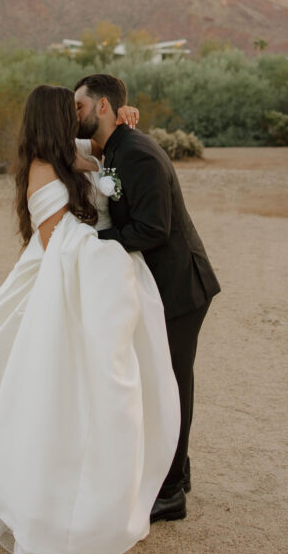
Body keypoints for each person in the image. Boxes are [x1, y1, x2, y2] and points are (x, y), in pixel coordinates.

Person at [0, 85, 181, 554]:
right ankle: (44, 494)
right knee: (53, 388)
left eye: (81, 108)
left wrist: (124, 118)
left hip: (87, 281)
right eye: (71, 111)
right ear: (54, 119)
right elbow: (55, 239)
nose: (78, 117)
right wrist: (111, 245)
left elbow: (106, 145)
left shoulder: (73, 153)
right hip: (60, 282)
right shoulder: (42, 166)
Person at [74, 73, 221, 524]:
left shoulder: (136, 153)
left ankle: (172, 491)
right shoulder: (114, 148)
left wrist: (97, 240)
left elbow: (154, 228)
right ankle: (179, 471)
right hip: (161, 286)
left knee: (173, 385)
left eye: (79, 105)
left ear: (102, 107)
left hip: (181, 287)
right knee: (162, 383)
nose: (73, 114)